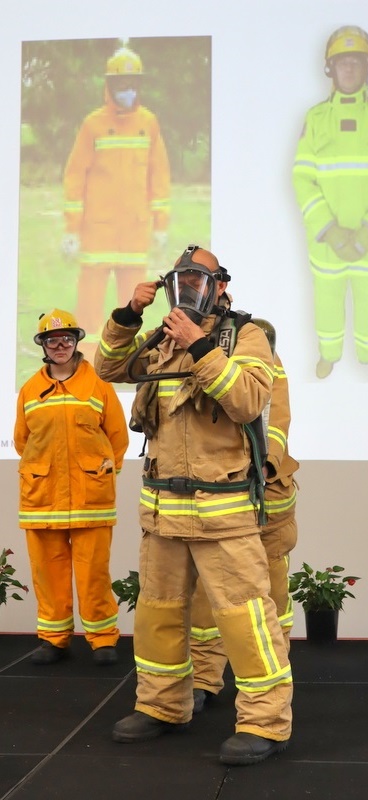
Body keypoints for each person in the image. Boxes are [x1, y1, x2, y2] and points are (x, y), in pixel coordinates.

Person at [93, 245, 293, 765]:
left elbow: (249, 400)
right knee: (158, 615)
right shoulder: (161, 339)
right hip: (163, 510)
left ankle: (264, 722)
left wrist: (200, 345)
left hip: (223, 510)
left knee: (245, 619)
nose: (189, 288)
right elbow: (109, 367)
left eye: (200, 279)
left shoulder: (245, 336)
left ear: (221, 285)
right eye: (181, 279)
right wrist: (128, 317)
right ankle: (161, 705)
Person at [14, 309, 129, 665]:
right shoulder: (31, 390)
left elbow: (117, 439)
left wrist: (101, 473)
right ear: (44, 346)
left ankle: (102, 639)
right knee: (47, 571)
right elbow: (22, 441)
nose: (60, 345)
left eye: (66, 338)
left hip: (90, 498)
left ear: (77, 341)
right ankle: (54, 639)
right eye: (52, 340)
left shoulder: (99, 385)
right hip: (42, 498)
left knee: (94, 571)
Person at [292, 25, 368, 380]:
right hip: (329, 241)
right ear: (332, 69)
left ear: (366, 67)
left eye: (357, 62)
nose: (350, 69)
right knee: (327, 300)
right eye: (343, 63)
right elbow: (300, 177)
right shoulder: (315, 118)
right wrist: (330, 229)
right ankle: (329, 355)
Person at [190, 349, 299, 713]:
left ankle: (275, 670)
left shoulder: (260, 353)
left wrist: (264, 467)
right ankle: (203, 678)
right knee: (209, 592)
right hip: (221, 494)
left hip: (266, 496)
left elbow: (277, 419)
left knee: (272, 592)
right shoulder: (202, 355)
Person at [62, 45, 171, 346]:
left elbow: (158, 176)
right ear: (109, 85)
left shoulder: (148, 123)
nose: (127, 90)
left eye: (132, 84)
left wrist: (160, 225)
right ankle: (84, 358)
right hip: (98, 231)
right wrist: (71, 229)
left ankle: (128, 362)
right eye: (121, 84)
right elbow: (74, 176)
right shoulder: (93, 124)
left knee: (133, 305)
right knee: (89, 305)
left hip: (135, 232)